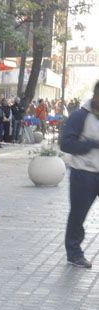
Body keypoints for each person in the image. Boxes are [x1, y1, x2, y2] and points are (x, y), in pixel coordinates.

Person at [60, 80, 99, 269]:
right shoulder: (80, 116)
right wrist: (91, 144)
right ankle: (74, 253)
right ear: (96, 96)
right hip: (83, 174)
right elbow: (65, 144)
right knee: (78, 215)